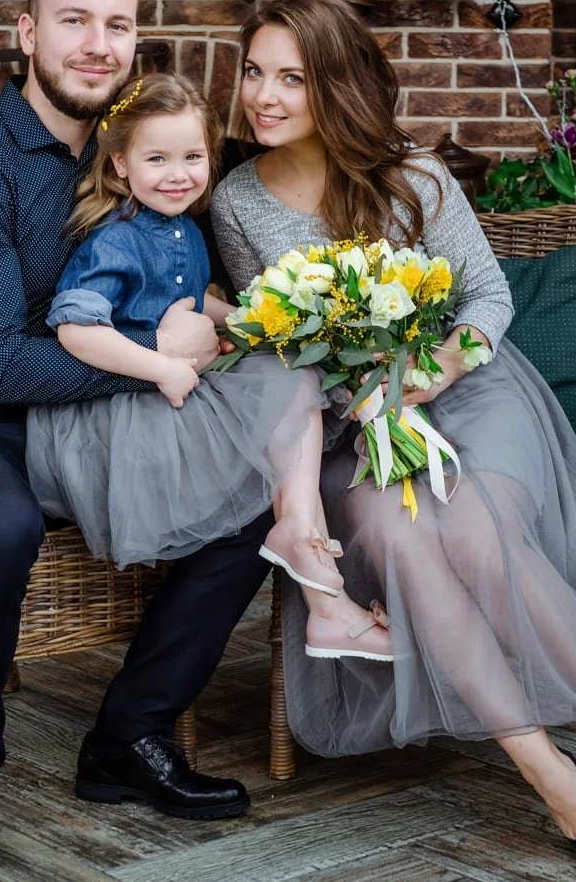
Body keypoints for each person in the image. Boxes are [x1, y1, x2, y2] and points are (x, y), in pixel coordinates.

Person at [208, 0, 576, 860]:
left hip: (470, 390)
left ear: (336, 83)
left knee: (475, 530)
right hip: (346, 423)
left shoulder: (414, 174)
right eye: (255, 72)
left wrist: (432, 371)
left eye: (292, 78)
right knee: (399, 538)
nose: (263, 95)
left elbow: (487, 295)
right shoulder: (236, 202)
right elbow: (276, 343)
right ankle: (546, 769)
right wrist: (360, 388)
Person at [0, 0, 259, 876]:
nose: (98, 44)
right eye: (74, 20)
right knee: (0, 522)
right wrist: (156, 364)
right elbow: (1, 364)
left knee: (255, 497)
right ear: (28, 33)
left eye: (117, 24)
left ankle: (130, 734)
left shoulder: (141, 158)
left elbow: (182, 296)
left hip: (84, 413)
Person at [23, 73, 393, 662]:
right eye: (157, 159)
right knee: (287, 392)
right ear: (120, 164)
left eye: (193, 157)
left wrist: (258, 318)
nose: (178, 175)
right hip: (126, 413)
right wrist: (161, 368)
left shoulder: (186, 230)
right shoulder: (114, 242)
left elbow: (195, 301)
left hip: (176, 392)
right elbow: (75, 330)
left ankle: (311, 559)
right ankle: (312, 569)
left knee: (293, 374)